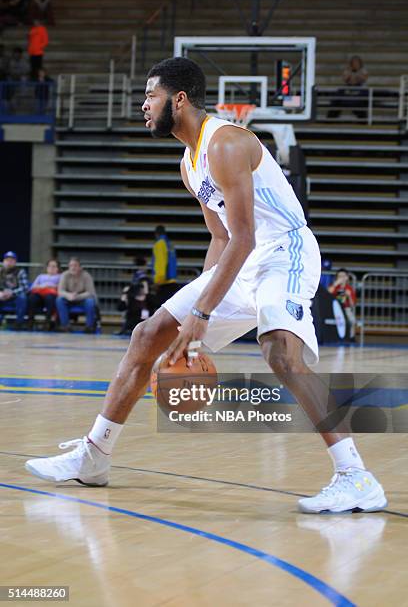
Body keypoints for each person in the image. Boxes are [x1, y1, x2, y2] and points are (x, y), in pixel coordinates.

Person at [25, 57, 387, 515]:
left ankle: (357, 477)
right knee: (147, 335)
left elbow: (248, 236)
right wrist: (197, 306)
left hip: (283, 252)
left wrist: (201, 316)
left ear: (178, 99)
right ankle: (94, 456)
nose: (143, 105)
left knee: (280, 351)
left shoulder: (226, 144)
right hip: (242, 256)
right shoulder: (188, 163)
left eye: (150, 96)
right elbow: (221, 238)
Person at [56, 257, 97, 333]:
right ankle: (65, 326)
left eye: (75, 265)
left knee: (90, 301)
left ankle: (89, 327)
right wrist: (68, 295)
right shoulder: (65, 275)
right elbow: (60, 291)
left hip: (82, 299)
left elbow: (90, 292)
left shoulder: (86, 276)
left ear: (80, 267)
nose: (73, 267)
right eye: (71, 265)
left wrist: (77, 297)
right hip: (69, 298)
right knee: (59, 300)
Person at [328, 56, 369, 120]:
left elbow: (363, 79)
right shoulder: (347, 70)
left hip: (359, 90)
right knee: (336, 99)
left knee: (360, 103)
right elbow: (345, 79)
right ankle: (330, 119)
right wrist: (351, 73)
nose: (355, 64)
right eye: (354, 62)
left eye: (357, 63)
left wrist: (357, 74)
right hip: (348, 89)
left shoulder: (363, 70)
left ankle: (363, 120)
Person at [27, 258, 60, 330]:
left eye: (54, 266)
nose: (51, 268)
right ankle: (30, 321)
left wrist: (50, 286)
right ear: (47, 267)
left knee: (50, 297)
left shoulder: (60, 277)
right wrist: (42, 287)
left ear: (57, 268)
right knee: (32, 297)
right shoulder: (41, 276)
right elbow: (33, 287)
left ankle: (47, 322)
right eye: (49, 266)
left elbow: (60, 287)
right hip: (40, 294)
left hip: (51, 295)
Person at [0, 250, 29, 329]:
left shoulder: (21, 271)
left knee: (22, 297)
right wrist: (1, 293)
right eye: (7, 260)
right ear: (3, 261)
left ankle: (19, 323)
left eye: (11, 260)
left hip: (15, 295)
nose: (9, 262)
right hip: (2, 294)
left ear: (15, 262)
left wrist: (12, 293)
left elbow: (25, 288)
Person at [152, 225, 178, 304]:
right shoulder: (169, 244)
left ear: (156, 234)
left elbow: (160, 263)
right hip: (172, 281)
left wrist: (158, 281)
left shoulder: (160, 244)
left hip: (164, 282)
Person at [329, 268, 357, 341]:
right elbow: (328, 293)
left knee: (352, 320)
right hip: (334, 308)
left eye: (343, 276)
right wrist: (335, 284)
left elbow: (352, 304)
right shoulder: (334, 286)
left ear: (347, 277)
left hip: (346, 308)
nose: (341, 278)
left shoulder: (349, 288)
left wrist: (349, 296)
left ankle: (351, 337)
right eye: (339, 276)